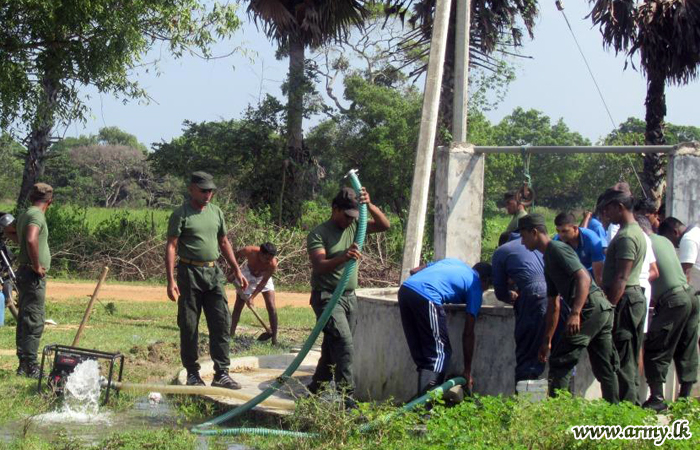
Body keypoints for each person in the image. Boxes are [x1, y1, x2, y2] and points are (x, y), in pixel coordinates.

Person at [519, 214, 619, 404]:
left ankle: (559, 415)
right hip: (600, 309)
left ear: (534, 232)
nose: (522, 243)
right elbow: (553, 304)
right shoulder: (548, 259)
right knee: (604, 365)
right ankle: (613, 411)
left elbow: (584, 278)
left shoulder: (556, 249)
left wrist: (575, 313)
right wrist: (546, 340)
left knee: (561, 361)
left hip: (590, 307)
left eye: (524, 236)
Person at [166, 171, 248, 389]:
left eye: (210, 190)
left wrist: (237, 270)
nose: (208, 194)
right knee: (189, 325)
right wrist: (170, 280)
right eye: (203, 191)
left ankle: (221, 374)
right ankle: (193, 373)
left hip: (213, 274)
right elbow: (172, 246)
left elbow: (224, 241)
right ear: (191, 189)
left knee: (221, 323)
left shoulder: (216, 212)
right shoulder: (181, 214)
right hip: (189, 274)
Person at [306, 186, 390, 399]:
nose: (349, 220)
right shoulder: (319, 233)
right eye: (346, 215)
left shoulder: (355, 226)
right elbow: (320, 265)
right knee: (343, 342)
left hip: (349, 297)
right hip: (327, 297)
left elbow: (384, 225)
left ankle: (317, 387)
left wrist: (368, 204)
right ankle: (347, 396)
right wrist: (343, 257)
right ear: (334, 209)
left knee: (333, 344)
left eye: (354, 216)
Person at [398, 259, 492, 396]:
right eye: (487, 287)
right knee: (439, 353)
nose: (485, 291)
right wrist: (467, 370)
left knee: (423, 355)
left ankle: (419, 402)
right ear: (485, 280)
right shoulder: (475, 285)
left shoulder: (453, 262)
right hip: (427, 296)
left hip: (405, 290)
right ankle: (427, 405)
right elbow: (468, 332)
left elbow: (414, 271)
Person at [642, 222, 699, 411]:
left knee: (656, 347)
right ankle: (684, 399)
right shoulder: (664, 241)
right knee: (686, 347)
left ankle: (657, 398)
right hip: (690, 296)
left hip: (673, 300)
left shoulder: (644, 243)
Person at [599, 187, 647, 405]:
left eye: (608, 209)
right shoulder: (635, 231)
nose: (606, 214)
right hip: (631, 298)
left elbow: (621, 277)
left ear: (620, 207)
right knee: (629, 353)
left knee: (624, 356)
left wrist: (609, 308)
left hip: (625, 299)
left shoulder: (627, 236)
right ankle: (631, 402)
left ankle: (627, 408)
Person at [4, 183, 54, 378]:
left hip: (23, 272)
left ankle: (23, 364)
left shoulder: (25, 213)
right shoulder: (37, 215)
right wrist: (36, 265)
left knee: (24, 318)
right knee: (33, 320)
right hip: (32, 275)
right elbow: (32, 238)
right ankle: (31, 366)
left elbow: (9, 230)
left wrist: (22, 243)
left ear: (32, 197)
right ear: (50, 201)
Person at [491, 231, 554, 384]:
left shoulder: (502, 251)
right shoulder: (543, 247)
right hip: (556, 295)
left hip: (534, 296)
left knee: (527, 358)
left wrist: (510, 296)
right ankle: (556, 401)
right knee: (556, 358)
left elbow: (499, 291)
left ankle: (526, 404)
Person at [230, 242, 279, 344]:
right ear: (260, 253)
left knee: (271, 306)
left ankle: (274, 338)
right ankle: (231, 335)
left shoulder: (272, 264)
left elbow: (263, 283)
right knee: (238, 305)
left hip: (262, 276)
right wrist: (234, 272)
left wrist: (252, 297)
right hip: (248, 273)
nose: (268, 262)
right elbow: (234, 256)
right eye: (266, 259)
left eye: (270, 259)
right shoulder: (249, 251)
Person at [554, 212, 605, 286]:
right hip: (573, 280)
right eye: (558, 231)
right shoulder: (557, 241)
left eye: (565, 231)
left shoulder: (591, 239)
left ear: (575, 228)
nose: (561, 235)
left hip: (592, 280)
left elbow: (599, 275)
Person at [658, 217, 700, 293]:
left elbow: (685, 273)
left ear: (675, 232)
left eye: (668, 239)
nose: (671, 244)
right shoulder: (696, 232)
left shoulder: (688, 239)